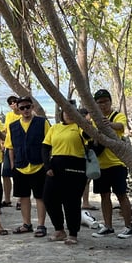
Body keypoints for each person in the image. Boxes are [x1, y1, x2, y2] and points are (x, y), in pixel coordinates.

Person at [88, 89, 132, 239]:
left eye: (105, 101)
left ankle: (129, 226)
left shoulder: (117, 115)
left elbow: (121, 126)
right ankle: (108, 226)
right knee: (104, 196)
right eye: (99, 102)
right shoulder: (93, 120)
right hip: (100, 165)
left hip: (117, 164)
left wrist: (109, 125)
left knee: (121, 195)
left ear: (110, 102)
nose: (102, 105)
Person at [42, 104, 89, 245]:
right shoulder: (55, 128)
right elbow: (45, 147)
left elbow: (89, 138)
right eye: (65, 112)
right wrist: (47, 166)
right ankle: (59, 229)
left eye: (71, 112)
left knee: (71, 201)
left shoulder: (80, 127)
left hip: (75, 167)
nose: (68, 114)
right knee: (49, 198)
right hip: (55, 166)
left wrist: (88, 124)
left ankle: (73, 233)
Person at [5, 96, 50, 236]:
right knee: (23, 197)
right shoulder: (13, 126)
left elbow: (49, 144)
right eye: (22, 108)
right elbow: (10, 147)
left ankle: (41, 225)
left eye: (28, 107)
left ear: (32, 107)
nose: (25, 110)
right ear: (18, 109)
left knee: (40, 197)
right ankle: (27, 224)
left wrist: (48, 164)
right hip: (20, 167)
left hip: (39, 165)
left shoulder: (42, 122)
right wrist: (12, 165)